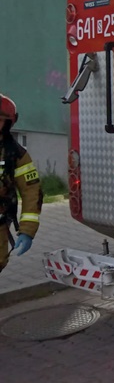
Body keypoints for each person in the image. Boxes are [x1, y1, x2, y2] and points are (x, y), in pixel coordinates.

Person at [0, 94, 43, 274]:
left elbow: (31, 191)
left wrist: (27, 230)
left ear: (8, 123)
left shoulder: (16, 154)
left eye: (0, 120)